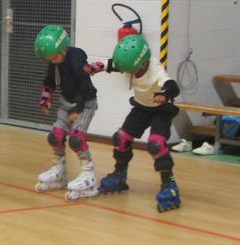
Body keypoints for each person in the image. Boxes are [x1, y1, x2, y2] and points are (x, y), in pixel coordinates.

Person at [93, 34, 182, 212]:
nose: (129, 74)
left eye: (131, 70)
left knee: (156, 145)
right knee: (121, 139)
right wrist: (95, 67)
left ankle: (169, 185)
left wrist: (165, 94)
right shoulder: (133, 63)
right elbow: (113, 64)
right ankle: (119, 174)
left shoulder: (156, 71)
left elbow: (173, 86)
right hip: (141, 108)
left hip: (161, 110)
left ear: (142, 63)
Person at [34, 25, 99, 200]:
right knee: (55, 137)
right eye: (49, 59)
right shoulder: (55, 63)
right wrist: (45, 99)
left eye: (54, 57)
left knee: (76, 139)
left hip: (85, 104)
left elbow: (84, 84)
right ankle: (59, 170)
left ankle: (88, 174)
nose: (52, 61)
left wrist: (78, 107)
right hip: (66, 104)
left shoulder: (76, 58)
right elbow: (49, 81)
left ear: (64, 49)